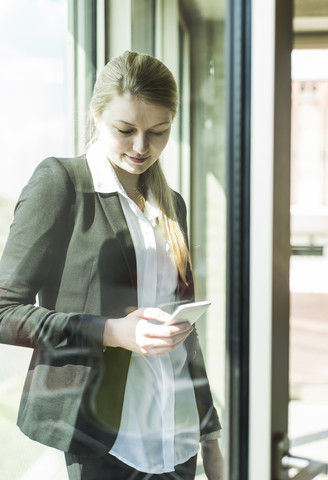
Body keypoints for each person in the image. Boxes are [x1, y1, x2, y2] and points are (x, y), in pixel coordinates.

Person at [0, 51, 223, 479]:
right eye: (126, 130)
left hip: (176, 435)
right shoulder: (61, 183)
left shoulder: (171, 204)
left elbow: (184, 335)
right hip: (103, 439)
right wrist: (111, 332)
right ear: (97, 116)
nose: (142, 147)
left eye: (159, 132)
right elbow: (5, 311)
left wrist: (209, 432)